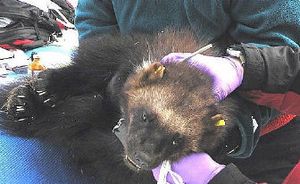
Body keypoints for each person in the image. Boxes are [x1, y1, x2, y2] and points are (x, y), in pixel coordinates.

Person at [75, 1, 300, 183]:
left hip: (258, 141)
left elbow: (281, 46)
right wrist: (113, 77)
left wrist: (227, 138)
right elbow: (95, 19)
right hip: (137, 113)